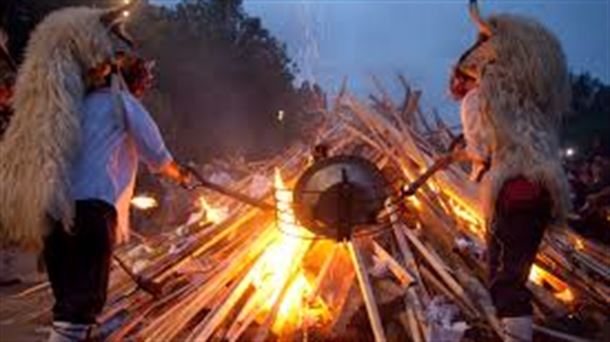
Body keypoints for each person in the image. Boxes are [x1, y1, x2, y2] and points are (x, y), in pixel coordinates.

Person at [0, 4, 194, 341]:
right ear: (126, 77)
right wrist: (184, 176)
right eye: (143, 78)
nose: (146, 85)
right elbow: (159, 157)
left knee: (68, 309)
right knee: (79, 312)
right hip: (91, 214)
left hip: (54, 215)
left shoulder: (72, 108)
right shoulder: (122, 104)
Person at [451, 1, 571, 341]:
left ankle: (517, 335)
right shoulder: (534, 97)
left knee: (505, 281)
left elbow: (483, 149)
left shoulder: (478, 99)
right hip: (545, 189)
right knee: (516, 273)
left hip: (514, 188)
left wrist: (471, 159)